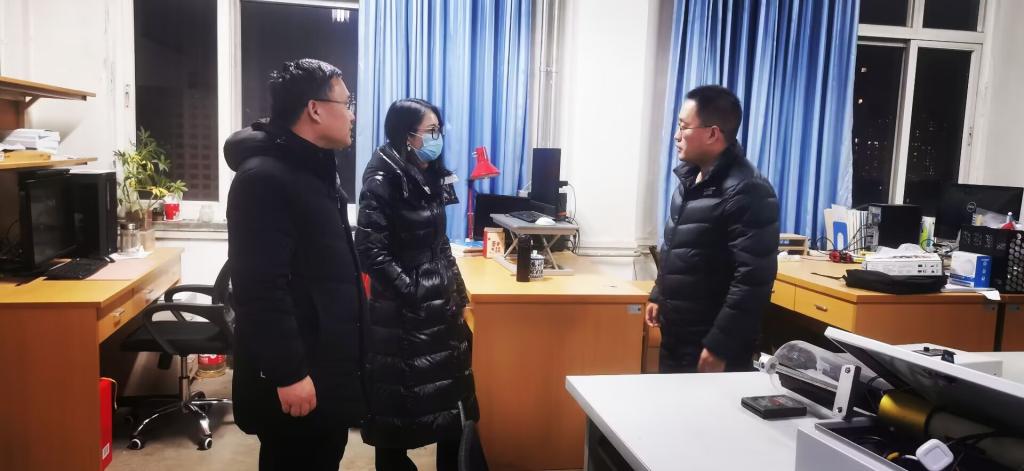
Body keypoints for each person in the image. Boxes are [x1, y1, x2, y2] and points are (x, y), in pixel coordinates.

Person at [224, 58, 365, 470]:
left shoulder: (315, 172)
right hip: (298, 372)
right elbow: (259, 288)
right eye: (347, 103)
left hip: (325, 362)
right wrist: (288, 374)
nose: (352, 114)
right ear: (315, 109)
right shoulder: (264, 179)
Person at [355, 98, 478, 471]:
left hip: (438, 309)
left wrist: (458, 293)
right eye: (431, 130)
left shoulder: (429, 174)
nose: (438, 137)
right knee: (398, 414)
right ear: (407, 135)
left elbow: (440, 244)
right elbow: (371, 252)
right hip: (403, 317)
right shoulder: (383, 178)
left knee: (450, 410)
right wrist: (414, 292)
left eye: (439, 130)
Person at [646, 85, 780, 374]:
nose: (676, 135)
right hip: (677, 335)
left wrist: (721, 345)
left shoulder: (747, 189)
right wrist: (659, 293)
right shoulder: (690, 180)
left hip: (711, 344)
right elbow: (677, 247)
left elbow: (753, 279)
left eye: (683, 127)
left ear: (712, 133)